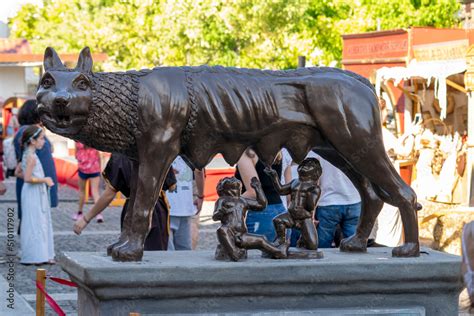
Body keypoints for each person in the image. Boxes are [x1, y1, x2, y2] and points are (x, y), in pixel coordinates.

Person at [73, 153, 176, 250]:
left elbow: (109, 194)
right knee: (155, 255)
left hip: (132, 207)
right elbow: (172, 186)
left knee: (131, 252)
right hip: (156, 209)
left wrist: (86, 219)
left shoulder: (120, 154)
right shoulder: (159, 149)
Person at [14, 100, 58, 230]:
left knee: (29, 220)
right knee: (33, 222)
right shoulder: (30, 131)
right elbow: (44, 160)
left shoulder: (26, 130)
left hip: (33, 181)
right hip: (36, 183)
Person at [15, 126, 55, 265]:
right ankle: (37, 255)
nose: (43, 141)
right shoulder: (31, 157)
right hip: (33, 191)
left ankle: (39, 253)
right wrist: (44, 179)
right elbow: (26, 178)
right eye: (42, 138)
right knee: (36, 221)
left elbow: (17, 172)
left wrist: (33, 176)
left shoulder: (26, 154)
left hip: (30, 191)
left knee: (34, 221)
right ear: (33, 141)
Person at [265, 158, 321, 250]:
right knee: (278, 220)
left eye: (308, 166)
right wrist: (274, 176)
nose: (304, 167)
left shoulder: (315, 188)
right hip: (291, 215)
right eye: (303, 165)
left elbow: (310, 207)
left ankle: (303, 239)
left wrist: (310, 193)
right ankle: (281, 240)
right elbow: (281, 190)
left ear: (315, 172)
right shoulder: (295, 182)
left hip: (304, 218)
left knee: (312, 246)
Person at [235, 149, 286, 242]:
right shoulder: (275, 149)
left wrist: (231, 201)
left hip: (262, 215)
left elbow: (253, 192)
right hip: (280, 210)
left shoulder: (247, 154)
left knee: (256, 255)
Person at [167, 156, 205, 250]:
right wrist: (200, 196)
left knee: (167, 253)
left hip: (166, 206)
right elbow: (199, 172)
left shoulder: (161, 147)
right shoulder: (191, 150)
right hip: (185, 206)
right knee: (184, 252)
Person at [73, 142, 102, 222]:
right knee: (95, 192)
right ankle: (99, 214)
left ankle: (79, 213)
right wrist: (100, 167)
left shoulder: (78, 142)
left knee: (82, 192)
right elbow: (98, 156)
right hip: (94, 169)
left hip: (83, 169)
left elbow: (76, 155)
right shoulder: (93, 140)